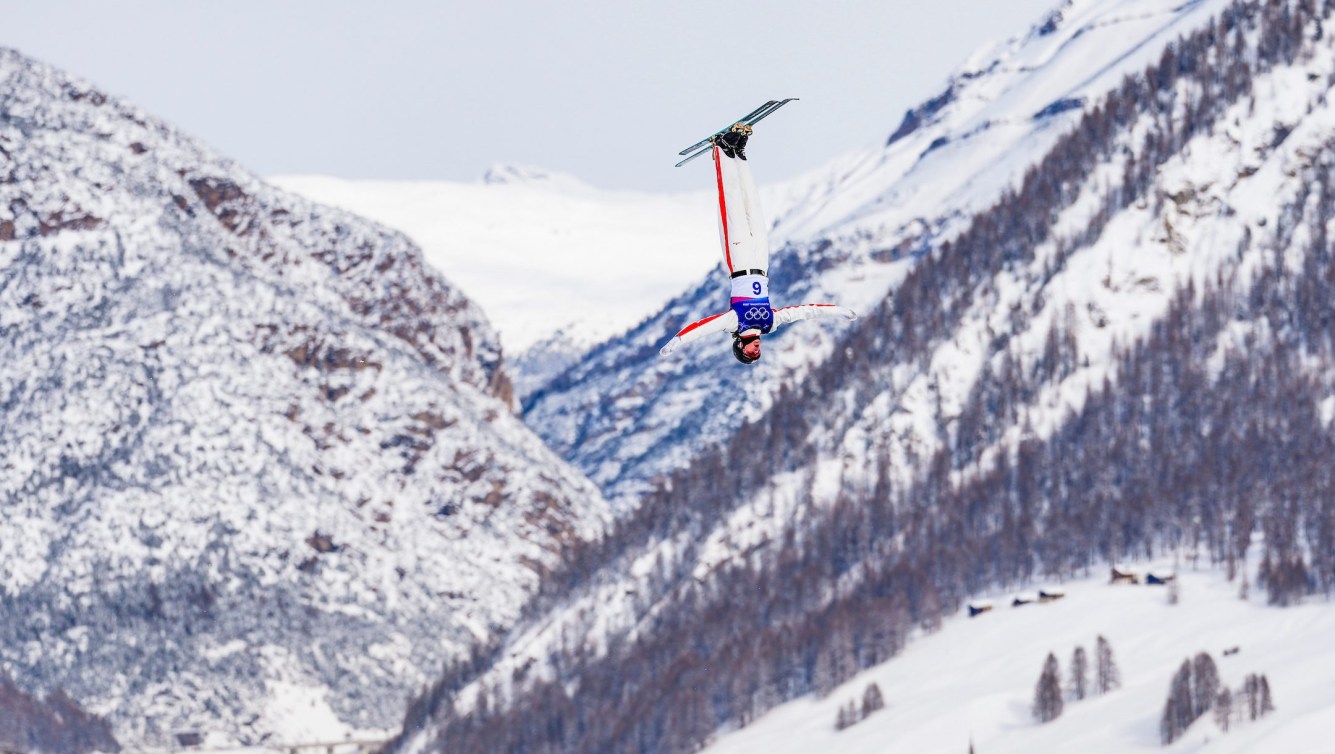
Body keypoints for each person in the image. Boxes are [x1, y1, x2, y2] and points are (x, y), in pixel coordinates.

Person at [658, 124, 855, 363]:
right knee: (753, 204)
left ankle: (722, 151)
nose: (756, 350)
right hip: (761, 263)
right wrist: (837, 311)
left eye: (750, 352)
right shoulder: (769, 324)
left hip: (739, 263)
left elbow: (703, 327)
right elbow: (803, 312)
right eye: (757, 353)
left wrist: (676, 341)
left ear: (739, 344)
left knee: (732, 207)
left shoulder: (734, 322)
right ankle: (739, 154)